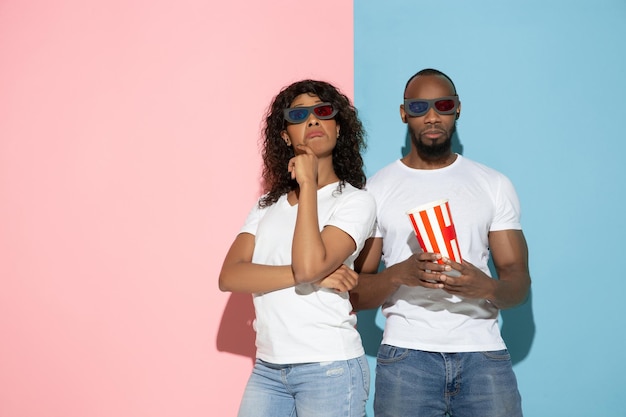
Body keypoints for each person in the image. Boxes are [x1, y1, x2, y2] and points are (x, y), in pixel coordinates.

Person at [351, 68, 531, 417]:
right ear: (404, 113)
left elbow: (518, 282)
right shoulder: (377, 189)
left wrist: (486, 286)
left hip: (483, 355)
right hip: (406, 357)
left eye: (443, 105)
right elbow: (355, 293)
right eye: (419, 107)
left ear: (457, 109)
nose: (431, 116)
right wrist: (399, 274)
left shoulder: (493, 184)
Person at [219, 79, 376, 417]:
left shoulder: (355, 202)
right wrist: (314, 277)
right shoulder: (265, 206)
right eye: (299, 114)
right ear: (286, 135)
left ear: (338, 127)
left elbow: (308, 266)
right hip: (268, 369)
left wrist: (307, 184)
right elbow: (230, 276)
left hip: (329, 368)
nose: (313, 120)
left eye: (323, 111)